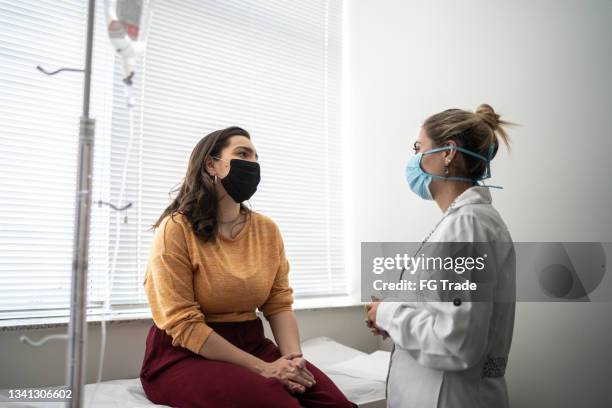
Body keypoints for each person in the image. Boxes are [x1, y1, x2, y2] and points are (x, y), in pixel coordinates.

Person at [139, 126, 357, 408]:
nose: (252, 163)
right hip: (184, 355)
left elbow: (278, 302)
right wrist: (265, 369)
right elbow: (183, 324)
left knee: (335, 404)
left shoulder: (266, 230)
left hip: (251, 344)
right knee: (279, 403)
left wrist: (293, 361)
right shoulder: (176, 229)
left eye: (256, 157)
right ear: (211, 164)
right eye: (243, 154)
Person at [366, 104, 517, 408]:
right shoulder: (466, 222)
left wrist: (386, 313)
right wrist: (394, 321)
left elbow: (456, 344)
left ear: (448, 152)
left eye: (418, 148)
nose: (413, 158)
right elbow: (449, 318)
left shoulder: (467, 226)